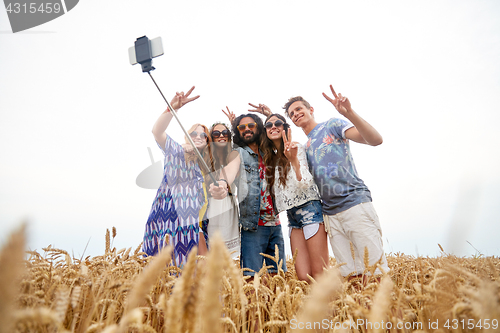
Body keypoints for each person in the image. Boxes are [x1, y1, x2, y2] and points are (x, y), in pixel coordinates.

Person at [283, 85, 390, 280]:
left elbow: (375, 140)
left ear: (310, 109)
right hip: (330, 215)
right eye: (291, 114)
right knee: (353, 278)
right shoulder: (304, 148)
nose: (295, 114)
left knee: (376, 274)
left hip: (354, 204)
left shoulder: (332, 125)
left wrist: (349, 113)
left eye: (299, 109)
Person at [209, 113, 287, 277]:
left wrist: (269, 115)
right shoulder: (238, 153)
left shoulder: (270, 152)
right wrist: (223, 183)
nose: (247, 129)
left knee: (278, 278)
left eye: (251, 125)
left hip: (276, 225)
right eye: (242, 127)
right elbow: (229, 169)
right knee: (252, 279)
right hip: (253, 226)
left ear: (259, 127)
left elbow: (281, 134)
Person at [142, 86, 212, 266]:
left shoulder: (205, 168)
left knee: (195, 275)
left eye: (203, 135)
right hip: (165, 223)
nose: (198, 136)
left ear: (207, 142)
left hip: (190, 227)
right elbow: (157, 131)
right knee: (163, 275)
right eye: (193, 133)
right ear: (186, 137)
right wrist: (172, 109)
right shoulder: (175, 151)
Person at [260, 113, 329, 281]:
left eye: (278, 123)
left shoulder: (296, 148)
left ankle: (331, 307)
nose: (273, 126)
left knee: (320, 274)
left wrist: (294, 162)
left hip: (310, 210)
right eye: (269, 125)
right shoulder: (271, 157)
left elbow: (305, 182)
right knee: (303, 277)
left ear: (285, 127)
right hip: (292, 216)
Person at [199, 122, 241, 259]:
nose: (221, 136)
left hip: (228, 206)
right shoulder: (204, 158)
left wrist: (235, 123)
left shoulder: (234, 155)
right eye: (216, 134)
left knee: (233, 256)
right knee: (211, 255)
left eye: (225, 133)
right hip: (210, 207)